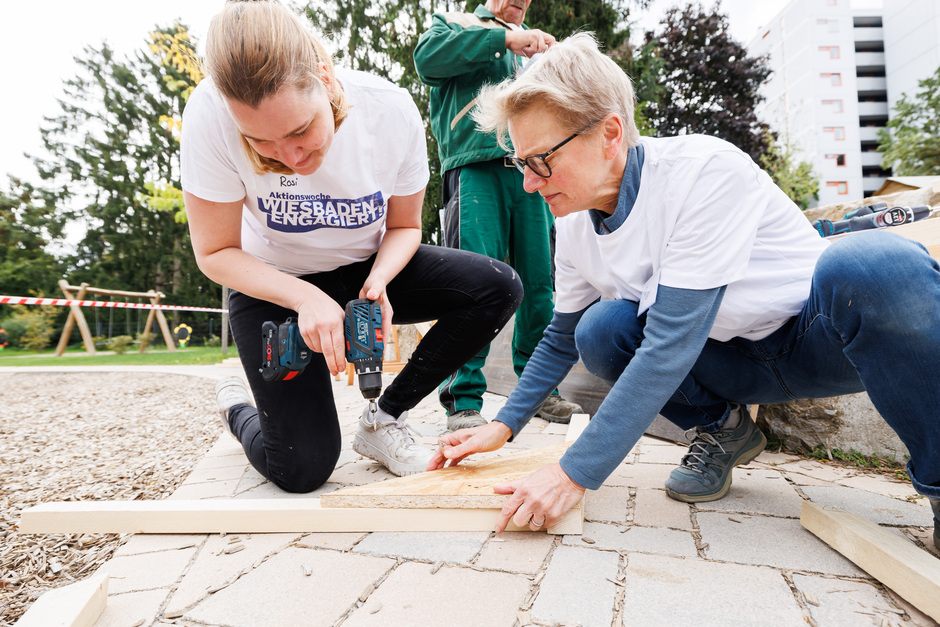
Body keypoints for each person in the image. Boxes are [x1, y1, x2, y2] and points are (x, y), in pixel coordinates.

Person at [428, 33, 940, 548]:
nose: (529, 184)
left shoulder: (703, 172)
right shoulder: (577, 224)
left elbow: (669, 344)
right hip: (731, 363)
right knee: (599, 330)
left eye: (541, 160)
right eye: (521, 163)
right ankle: (724, 430)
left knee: (876, 263)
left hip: (820, 341)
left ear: (609, 133)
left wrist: (572, 474)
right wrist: (504, 425)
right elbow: (560, 338)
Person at [180, 0, 523, 491]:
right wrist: (304, 298)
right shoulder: (210, 114)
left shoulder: (389, 110)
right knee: (301, 470)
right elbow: (214, 252)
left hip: (364, 267)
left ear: (324, 76)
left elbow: (404, 227)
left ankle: (383, 418)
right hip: (272, 281)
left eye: (300, 130)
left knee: (496, 287)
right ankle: (237, 404)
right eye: (261, 142)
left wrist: (380, 280)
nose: (290, 157)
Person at [414, 0, 583, 431]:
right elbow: (427, 61)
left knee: (540, 283)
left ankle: (540, 389)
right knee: (468, 284)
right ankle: (464, 398)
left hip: (533, 168)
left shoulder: (536, 45)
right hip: (474, 169)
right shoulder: (454, 23)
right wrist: (505, 39)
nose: (519, 1)